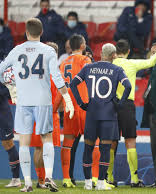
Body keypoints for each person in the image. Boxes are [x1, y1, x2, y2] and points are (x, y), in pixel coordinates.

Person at [0, 18, 74, 192]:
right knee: (46, 138)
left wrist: (10, 86)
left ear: (26, 32)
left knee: (24, 142)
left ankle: (27, 183)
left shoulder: (17, 50)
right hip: (43, 101)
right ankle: (48, 176)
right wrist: (68, 99)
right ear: (41, 32)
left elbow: (2, 70)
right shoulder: (49, 51)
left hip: (24, 101)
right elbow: (56, 77)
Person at [70, 43, 132, 190]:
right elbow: (128, 86)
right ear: (113, 55)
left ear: (101, 54)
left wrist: (81, 103)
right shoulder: (117, 69)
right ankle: (100, 183)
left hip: (91, 113)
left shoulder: (88, 67)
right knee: (105, 149)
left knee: (88, 148)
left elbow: (73, 84)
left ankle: (86, 183)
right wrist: (120, 104)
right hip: (109, 114)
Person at [106, 39, 156, 187]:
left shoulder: (111, 65)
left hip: (111, 104)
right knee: (130, 140)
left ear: (115, 52)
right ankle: (135, 180)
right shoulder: (132, 63)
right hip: (127, 105)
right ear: (129, 52)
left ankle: (109, 178)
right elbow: (151, 62)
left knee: (111, 142)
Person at [54, 34, 91, 188]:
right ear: (83, 46)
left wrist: (56, 107)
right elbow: (91, 81)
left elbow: (59, 85)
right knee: (92, 143)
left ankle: (67, 179)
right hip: (84, 105)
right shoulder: (85, 60)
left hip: (69, 107)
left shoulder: (63, 63)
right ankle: (92, 179)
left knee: (68, 145)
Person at [29, 42, 61, 189]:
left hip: (36, 112)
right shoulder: (54, 71)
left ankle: (41, 180)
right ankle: (47, 179)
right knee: (47, 147)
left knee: (38, 148)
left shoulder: (35, 71)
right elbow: (59, 95)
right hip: (50, 112)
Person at [0, 82, 21, 188]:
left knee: (8, 143)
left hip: (2, 112)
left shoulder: (2, 67)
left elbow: (9, 91)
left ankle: (16, 178)